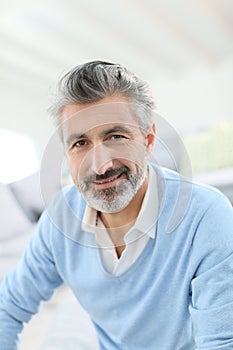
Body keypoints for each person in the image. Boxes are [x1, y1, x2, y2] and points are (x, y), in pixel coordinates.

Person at [0, 60, 233, 350]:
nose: (100, 166)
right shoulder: (60, 218)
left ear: (147, 140)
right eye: (80, 143)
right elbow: (7, 309)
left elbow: (221, 343)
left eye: (116, 136)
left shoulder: (207, 216)